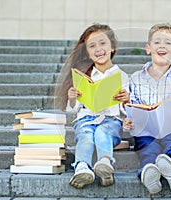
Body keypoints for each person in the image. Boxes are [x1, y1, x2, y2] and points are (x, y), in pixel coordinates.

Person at [55, 23, 129, 189]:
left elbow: (126, 110)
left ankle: (105, 164)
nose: (98, 49)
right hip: (86, 120)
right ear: (87, 52)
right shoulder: (83, 76)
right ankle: (82, 167)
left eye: (103, 43)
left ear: (112, 47)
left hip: (111, 121)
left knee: (103, 132)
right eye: (92, 46)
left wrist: (126, 100)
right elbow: (74, 109)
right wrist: (72, 97)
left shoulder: (121, 76)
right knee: (86, 136)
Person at [123, 23, 171, 195]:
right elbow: (134, 105)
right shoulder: (136, 78)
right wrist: (130, 120)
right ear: (148, 48)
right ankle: (149, 174)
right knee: (148, 150)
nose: (162, 46)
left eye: (168, 43)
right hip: (146, 130)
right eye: (157, 42)